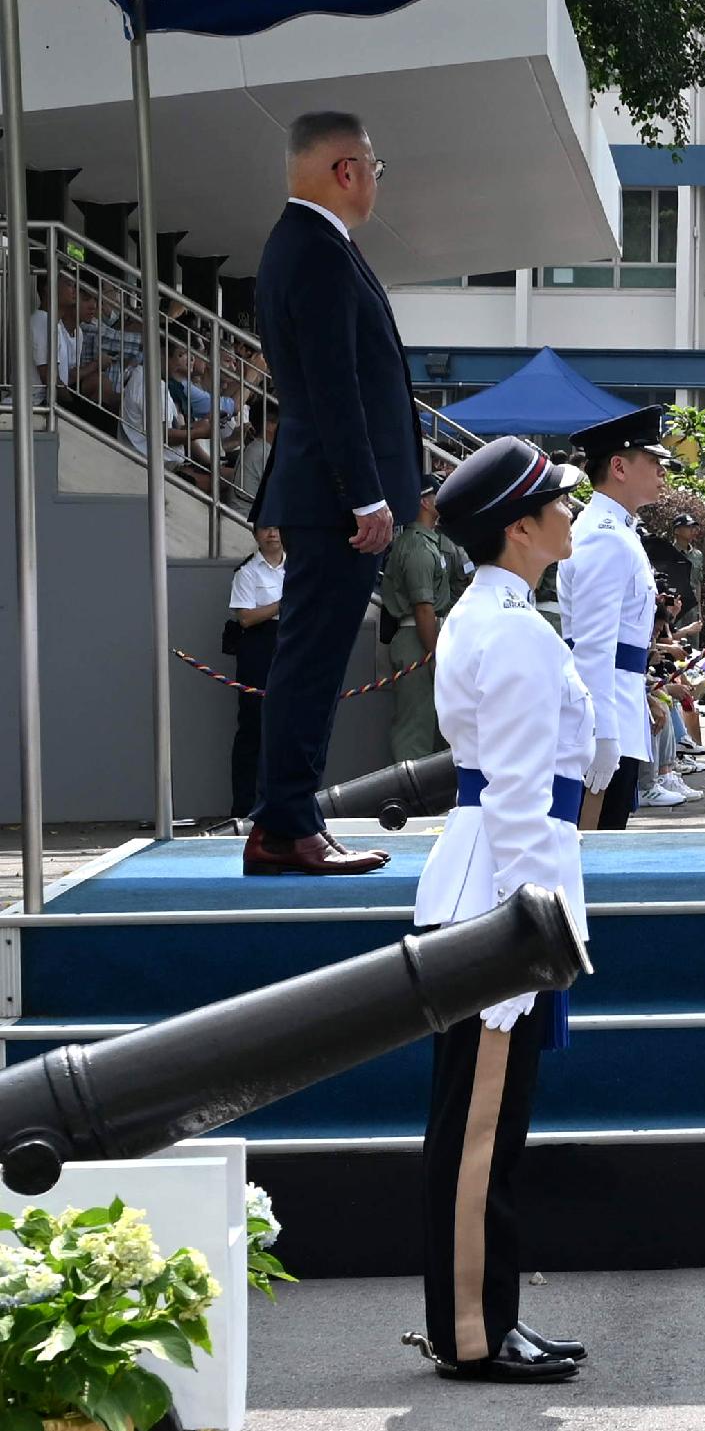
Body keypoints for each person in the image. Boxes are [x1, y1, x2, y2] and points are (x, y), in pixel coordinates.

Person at [410, 435, 594, 1383]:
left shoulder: (496, 613)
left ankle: (483, 1317)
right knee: (483, 1125)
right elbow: (523, 796)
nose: (573, 509)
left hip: (489, 874)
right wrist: (534, 928)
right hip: (505, 887)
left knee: (482, 1119)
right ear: (520, 529)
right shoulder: (514, 629)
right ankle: (474, 1330)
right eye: (558, 502)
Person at [246, 111, 423, 876]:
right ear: (347, 169)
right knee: (312, 661)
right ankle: (285, 823)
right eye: (376, 168)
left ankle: (292, 818)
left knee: (312, 660)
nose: (378, 182)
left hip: (327, 496)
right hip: (334, 500)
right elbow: (332, 387)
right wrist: (364, 497)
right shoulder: (315, 250)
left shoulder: (311, 245)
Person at [557, 406, 668, 831]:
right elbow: (593, 647)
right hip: (606, 717)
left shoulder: (618, 531)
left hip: (620, 706)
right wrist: (602, 733)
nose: (662, 471)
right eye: (653, 461)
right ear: (619, 466)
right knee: (592, 846)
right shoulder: (604, 537)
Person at [378, 492, 467, 765]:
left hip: (431, 634)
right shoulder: (417, 545)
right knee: (415, 726)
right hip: (419, 638)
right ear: (425, 502)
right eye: (436, 494)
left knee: (440, 726)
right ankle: (408, 802)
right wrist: (434, 652)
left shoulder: (435, 541)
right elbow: (423, 607)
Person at [223, 525, 287, 822]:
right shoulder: (247, 571)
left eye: (276, 528)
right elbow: (246, 617)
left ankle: (283, 804)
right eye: (265, 529)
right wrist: (282, 606)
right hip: (258, 653)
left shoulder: (297, 566)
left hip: (289, 647)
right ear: (256, 534)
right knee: (252, 729)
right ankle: (245, 808)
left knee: (287, 729)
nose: (271, 534)